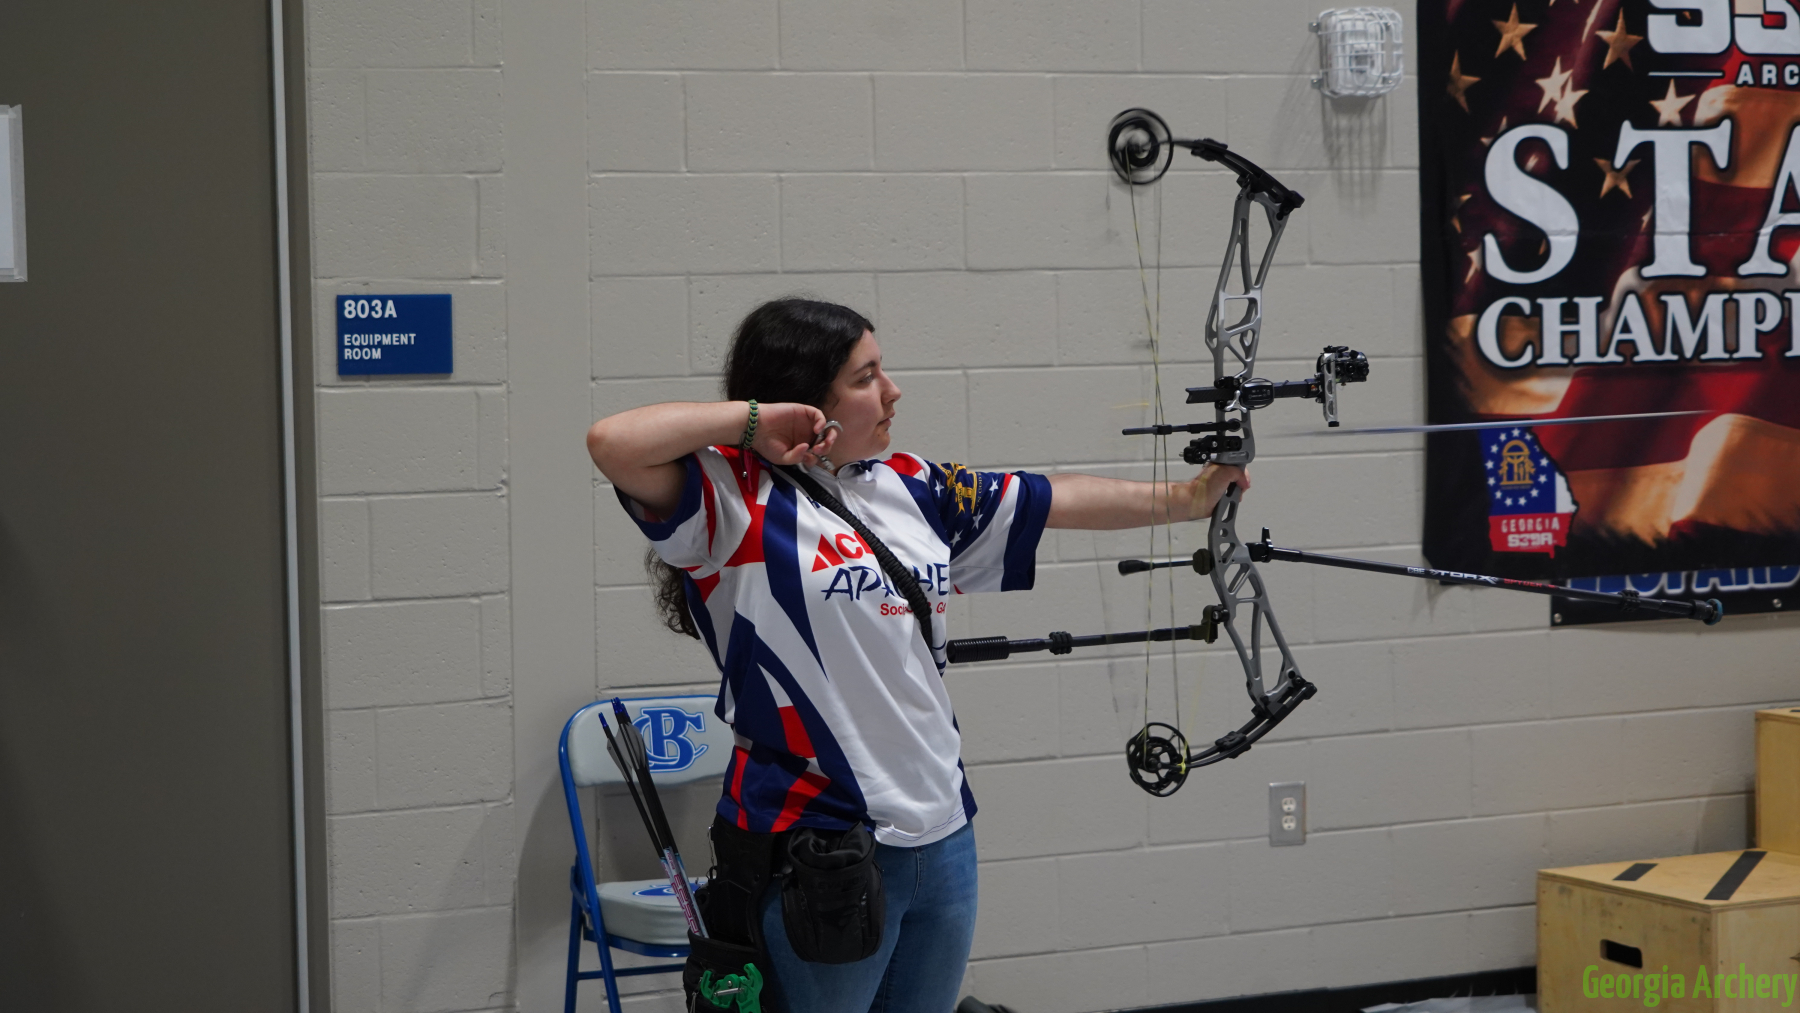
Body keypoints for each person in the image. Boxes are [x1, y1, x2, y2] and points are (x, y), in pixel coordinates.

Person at [586, 299, 1247, 1013]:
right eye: (865, 377)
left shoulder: (912, 485)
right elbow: (612, 442)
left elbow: (1054, 498)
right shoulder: (731, 498)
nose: (892, 391)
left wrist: (1188, 498)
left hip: (943, 831)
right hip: (817, 838)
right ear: (806, 400)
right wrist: (752, 422)